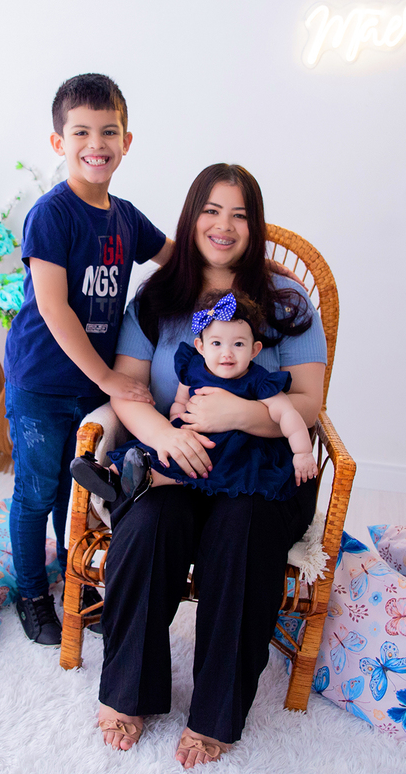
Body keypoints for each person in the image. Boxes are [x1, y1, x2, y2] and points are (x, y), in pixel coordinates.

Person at [93, 163, 327, 768]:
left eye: (240, 214)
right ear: (191, 218)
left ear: (255, 226)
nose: (224, 226)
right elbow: (129, 388)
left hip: (261, 468)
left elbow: (309, 403)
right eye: (211, 211)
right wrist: (163, 441)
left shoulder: (288, 302)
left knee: (239, 533)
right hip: (180, 458)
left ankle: (216, 714)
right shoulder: (158, 298)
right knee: (149, 527)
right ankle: (130, 692)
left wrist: (238, 416)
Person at [2, 73, 174, 645]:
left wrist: (228, 294)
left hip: (91, 388)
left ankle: (77, 585)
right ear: (59, 143)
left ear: (127, 141)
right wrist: (109, 379)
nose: (95, 143)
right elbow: (53, 308)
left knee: (75, 493)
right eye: (81, 132)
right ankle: (32, 593)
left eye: (108, 131)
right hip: (44, 381)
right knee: (36, 489)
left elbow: (176, 263)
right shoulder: (52, 214)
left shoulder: (125, 217)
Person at [70, 289, 318, 517]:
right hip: (189, 434)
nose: (227, 353)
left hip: (231, 448)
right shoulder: (193, 369)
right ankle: (110, 475)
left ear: (255, 350)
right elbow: (180, 401)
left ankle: (144, 478)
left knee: (188, 461)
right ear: (200, 346)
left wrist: (303, 452)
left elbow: (288, 415)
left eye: (238, 344)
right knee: (153, 447)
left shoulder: (259, 382)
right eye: (216, 343)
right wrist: (173, 423)